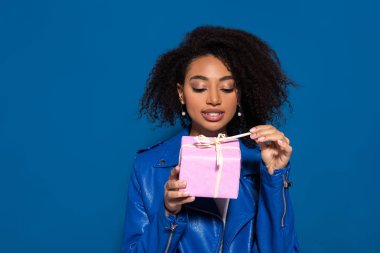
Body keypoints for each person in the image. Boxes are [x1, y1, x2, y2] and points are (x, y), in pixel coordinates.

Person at [122, 26, 299, 252]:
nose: (214, 99)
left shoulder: (259, 162)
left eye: (226, 88)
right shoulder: (148, 167)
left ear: (239, 94)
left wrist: (275, 178)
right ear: (181, 93)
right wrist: (168, 214)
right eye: (199, 87)